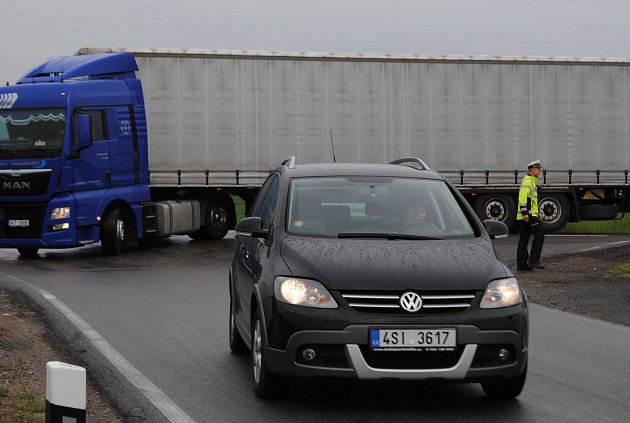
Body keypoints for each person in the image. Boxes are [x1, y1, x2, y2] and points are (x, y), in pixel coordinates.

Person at [517, 159, 545, 271]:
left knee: (524, 239)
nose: (539, 171)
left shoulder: (531, 180)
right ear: (533, 170)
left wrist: (536, 212)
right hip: (527, 215)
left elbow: (531, 200)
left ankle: (522, 264)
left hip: (529, 214)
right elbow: (522, 198)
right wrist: (525, 213)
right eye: (538, 169)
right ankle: (534, 261)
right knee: (540, 234)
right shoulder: (528, 181)